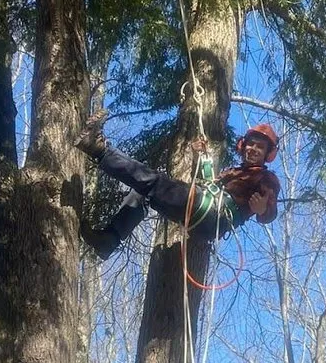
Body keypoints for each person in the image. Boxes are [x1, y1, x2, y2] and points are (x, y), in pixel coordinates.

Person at [75, 111, 281, 260]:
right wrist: (200, 158)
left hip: (213, 214)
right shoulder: (233, 173)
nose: (253, 149)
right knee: (142, 193)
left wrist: (262, 210)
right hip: (206, 212)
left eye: (260, 147)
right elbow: (210, 184)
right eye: (251, 144)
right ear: (243, 146)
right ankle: (108, 240)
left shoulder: (266, 178)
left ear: (266, 154)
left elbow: (270, 212)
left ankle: (98, 149)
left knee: (154, 181)